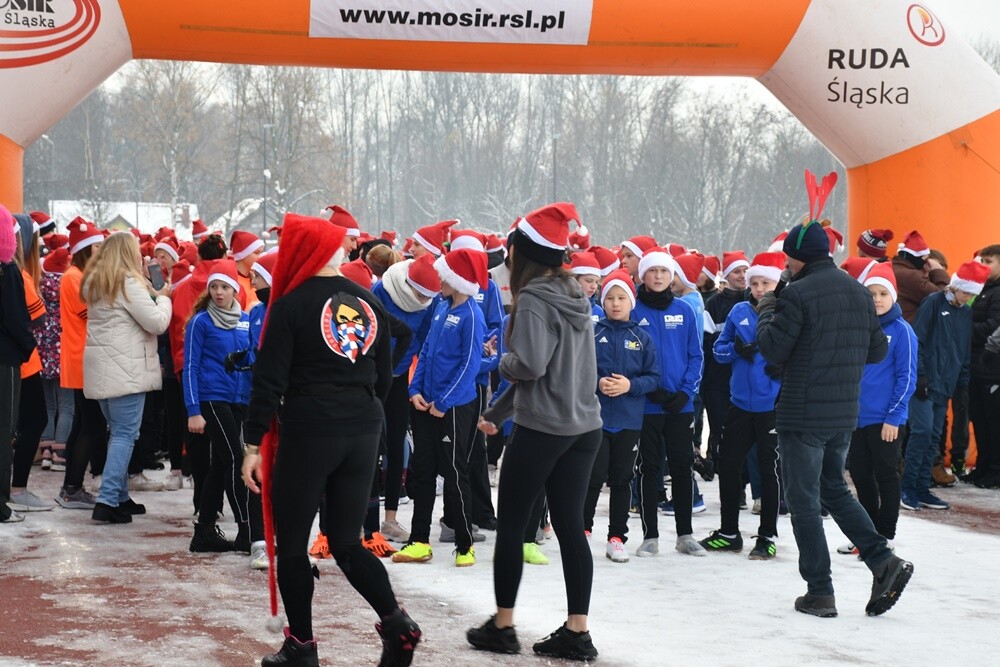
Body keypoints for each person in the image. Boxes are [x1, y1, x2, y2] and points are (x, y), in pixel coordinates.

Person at [242, 213, 420, 667]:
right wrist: (362, 409)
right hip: (363, 426)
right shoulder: (367, 300)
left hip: (309, 427)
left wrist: (251, 444)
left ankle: (301, 646)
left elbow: (269, 380)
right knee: (347, 542)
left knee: (294, 543)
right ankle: (397, 623)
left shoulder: (290, 304)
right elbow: (384, 373)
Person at [756, 170, 913, 618]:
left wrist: (768, 308)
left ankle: (820, 590)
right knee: (835, 491)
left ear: (798, 259)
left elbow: (773, 348)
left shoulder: (795, 295)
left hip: (802, 416)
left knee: (805, 502)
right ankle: (883, 561)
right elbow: (877, 349)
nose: (783, 268)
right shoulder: (858, 293)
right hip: (844, 413)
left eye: (787, 261)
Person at [467, 202, 603, 661]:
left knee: (511, 527)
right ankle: (577, 632)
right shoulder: (573, 293)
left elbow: (528, 366)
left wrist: (498, 357)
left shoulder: (532, 301)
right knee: (569, 528)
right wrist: (498, 411)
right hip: (584, 427)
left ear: (519, 253)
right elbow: (553, 373)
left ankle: (503, 627)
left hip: (543, 430)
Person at [392, 248, 488, 567]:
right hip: (426, 405)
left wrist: (445, 402)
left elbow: (470, 365)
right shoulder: (440, 306)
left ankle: (464, 543)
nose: (438, 280)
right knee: (422, 472)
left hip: (454, 408)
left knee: (454, 473)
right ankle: (419, 540)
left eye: (443, 276)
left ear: (457, 280)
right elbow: (427, 352)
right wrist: (414, 389)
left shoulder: (472, 315)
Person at [81, 232, 172, 524]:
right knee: (124, 434)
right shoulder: (127, 282)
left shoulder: (98, 281)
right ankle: (107, 500)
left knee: (117, 432)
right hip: (126, 368)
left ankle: (119, 497)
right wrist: (163, 298)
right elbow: (156, 322)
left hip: (104, 368)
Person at [701, 251, 784, 560]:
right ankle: (729, 532)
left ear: (777, 284)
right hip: (739, 404)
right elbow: (719, 352)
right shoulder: (738, 311)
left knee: (769, 469)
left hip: (771, 406)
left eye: (766, 283)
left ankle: (767, 536)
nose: (760, 289)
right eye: (756, 283)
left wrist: (782, 368)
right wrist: (736, 350)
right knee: (729, 464)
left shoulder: (786, 312)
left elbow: (799, 353)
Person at [184, 260, 264, 567]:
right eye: (214, 287)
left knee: (221, 464)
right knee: (235, 458)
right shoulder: (201, 322)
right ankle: (246, 529)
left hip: (239, 400)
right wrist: (193, 410)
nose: (219, 293)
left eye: (225, 287)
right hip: (211, 397)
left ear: (235, 290)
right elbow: (190, 365)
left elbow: (252, 359)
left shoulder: (245, 320)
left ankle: (204, 530)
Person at [631, 246, 705, 557]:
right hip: (646, 404)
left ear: (672, 275)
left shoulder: (685, 310)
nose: (659, 276)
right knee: (649, 469)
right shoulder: (633, 310)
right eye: (652, 271)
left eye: (664, 271)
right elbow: (627, 357)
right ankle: (650, 536)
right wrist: (647, 388)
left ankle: (685, 534)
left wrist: (686, 392)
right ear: (643, 275)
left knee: (682, 466)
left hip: (680, 404)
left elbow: (696, 355)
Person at [583, 269, 659, 563]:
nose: (616, 303)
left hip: (629, 420)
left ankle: (616, 537)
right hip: (596, 419)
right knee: (592, 476)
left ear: (632, 302)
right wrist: (597, 383)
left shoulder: (642, 338)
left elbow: (654, 378)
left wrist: (630, 385)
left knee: (621, 480)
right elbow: (579, 370)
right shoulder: (593, 333)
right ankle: (582, 530)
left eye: (622, 298)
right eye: (611, 298)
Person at [841, 262, 916, 554]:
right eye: (871, 292)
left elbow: (906, 378)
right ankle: (867, 534)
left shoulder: (902, 331)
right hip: (857, 419)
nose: (877, 299)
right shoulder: (858, 328)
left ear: (892, 297)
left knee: (886, 475)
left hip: (887, 420)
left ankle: (885, 534)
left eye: (883, 293)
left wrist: (894, 417)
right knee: (859, 474)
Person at [901, 261, 985, 509]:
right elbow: (917, 340)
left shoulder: (965, 312)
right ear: (956, 285)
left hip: (947, 384)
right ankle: (907, 486)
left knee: (935, 436)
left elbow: (963, 352)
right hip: (925, 383)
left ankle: (922, 487)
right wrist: (921, 376)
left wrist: (963, 384)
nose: (968, 298)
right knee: (922, 432)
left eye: (972, 294)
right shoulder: (934, 303)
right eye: (965, 292)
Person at [370, 254, 439, 544]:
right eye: (420, 293)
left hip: (398, 376)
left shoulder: (430, 299)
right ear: (408, 284)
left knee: (398, 442)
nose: (423, 298)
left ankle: (390, 518)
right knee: (371, 444)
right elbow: (370, 330)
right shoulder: (382, 290)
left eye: (428, 295)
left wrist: (404, 363)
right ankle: (365, 516)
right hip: (372, 375)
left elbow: (423, 337)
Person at [55, 217, 105, 510]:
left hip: (81, 356)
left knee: (83, 424)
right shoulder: (74, 277)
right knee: (92, 426)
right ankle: (72, 487)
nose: (100, 250)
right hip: (82, 357)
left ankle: (70, 486)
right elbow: (93, 312)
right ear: (85, 249)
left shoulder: (76, 275)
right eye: (96, 245)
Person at [1, 205, 37, 524]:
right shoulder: (8, 271)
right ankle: (1, 502)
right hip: (5, 359)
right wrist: (28, 344)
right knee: (4, 429)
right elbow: (16, 317)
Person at [967, 245, 1000, 488]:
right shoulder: (981, 289)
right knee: (979, 418)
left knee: (994, 421)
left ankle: (995, 471)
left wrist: (964, 331)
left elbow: (993, 326)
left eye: (989, 261)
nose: (983, 265)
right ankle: (983, 466)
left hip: (993, 367)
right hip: (976, 366)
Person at [891, 230, 949, 323]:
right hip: (910, 328)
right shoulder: (911, 276)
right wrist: (938, 271)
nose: (925, 263)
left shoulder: (894, 267)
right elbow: (944, 298)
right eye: (925, 259)